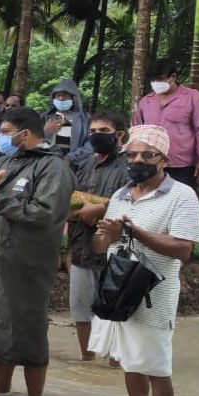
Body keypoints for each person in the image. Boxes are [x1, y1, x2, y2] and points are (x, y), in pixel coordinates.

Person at [90, 125, 199, 396]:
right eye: (132, 154)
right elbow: (102, 246)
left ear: (163, 159)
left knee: (156, 365)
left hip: (155, 293)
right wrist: (105, 235)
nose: (137, 159)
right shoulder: (121, 194)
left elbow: (183, 249)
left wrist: (131, 231)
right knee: (129, 358)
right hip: (119, 287)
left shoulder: (182, 195)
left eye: (147, 154)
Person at [0, 108, 74, 396]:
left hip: (27, 262)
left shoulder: (53, 168)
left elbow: (46, 214)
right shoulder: (5, 159)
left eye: (7, 131)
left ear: (26, 133)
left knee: (28, 328)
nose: (3, 137)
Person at [66, 112, 130, 361]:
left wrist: (102, 209)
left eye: (103, 131)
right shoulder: (86, 164)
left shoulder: (128, 166)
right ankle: (87, 361)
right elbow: (72, 196)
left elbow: (133, 203)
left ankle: (116, 362)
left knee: (114, 309)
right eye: (92, 131)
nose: (96, 135)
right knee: (80, 308)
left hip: (114, 250)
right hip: (81, 246)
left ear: (119, 134)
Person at [132, 61, 199, 190]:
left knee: (180, 202)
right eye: (154, 80)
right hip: (151, 164)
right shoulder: (146, 102)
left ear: (173, 77)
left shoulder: (193, 98)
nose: (157, 83)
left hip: (182, 166)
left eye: (161, 79)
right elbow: (137, 131)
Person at [42, 79, 92, 171]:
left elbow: (90, 143)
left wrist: (71, 158)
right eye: (58, 95)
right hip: (47, 166)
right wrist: (45, 132)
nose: (61, 99)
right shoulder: (45, 117)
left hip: (76, 168)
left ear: (73, 98)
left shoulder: (84, 119)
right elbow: (33, 140)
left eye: (64, 95)